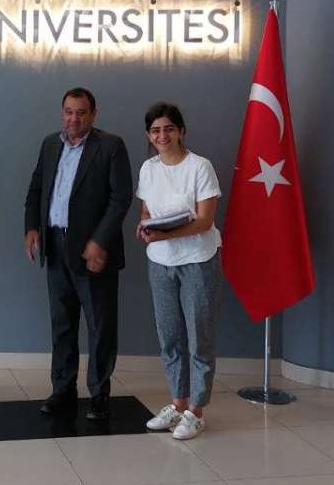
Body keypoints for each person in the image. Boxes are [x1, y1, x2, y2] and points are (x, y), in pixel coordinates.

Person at [24, 87, 132, 421]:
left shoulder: (110, 146)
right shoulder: (50, 144)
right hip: (55, 246)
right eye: (69, 112)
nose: (74, 118)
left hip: (93, 252)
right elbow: (36, 188)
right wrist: (32, 228)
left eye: (81, 112)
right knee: (62, 324)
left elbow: (121, 198)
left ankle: (99, 394)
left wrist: (99, 241)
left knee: (100, 326)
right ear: (62, 113)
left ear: (94, 114)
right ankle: (62, 389)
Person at [134, 102, 222, 441]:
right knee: (169, 337)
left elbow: (205, 221)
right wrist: (144, 226)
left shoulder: (200, 166)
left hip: (198, 260)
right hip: (160, 262)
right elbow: (146, 211)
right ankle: (178, 402)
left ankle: (196, 411)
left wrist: (164, 234)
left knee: (199, 336)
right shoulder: (148, 168)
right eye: (156, 130)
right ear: (149, 135)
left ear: (181, 131)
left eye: (169, 129)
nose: (162, 136)